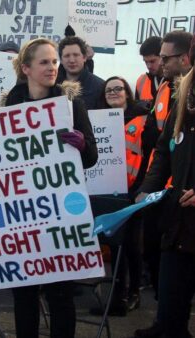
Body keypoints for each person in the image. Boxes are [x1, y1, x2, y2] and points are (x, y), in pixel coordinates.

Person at [3, 38, 97, 338]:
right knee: (24, 295)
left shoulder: (72, 105)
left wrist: (82, 145)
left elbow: (91, 157)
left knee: (60, 295)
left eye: (54, 61)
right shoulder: (8, 105)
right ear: (26, 68)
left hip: (60, 213)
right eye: (44, 62)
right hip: (22, 214)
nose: (53, 67)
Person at [135, 34, 195, 338]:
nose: (161, 62)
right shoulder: (178, 96)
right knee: (171, 281)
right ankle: (167, 327)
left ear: (183, 59)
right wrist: (146, 191)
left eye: (166, 58)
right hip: (177, 208)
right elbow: (163, 149)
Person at [94, 77, 150, 316]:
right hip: (109, 190)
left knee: (131, 245)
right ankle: (117, 296)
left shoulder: (143, 120)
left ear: (128, 92)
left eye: (118, 88)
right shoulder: (98, 121)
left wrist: (142, 187)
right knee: (115, 244)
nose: (114, 92)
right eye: (109, 90)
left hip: (134, 191)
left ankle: (134, 292)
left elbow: (149, 156)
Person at [57, 36, 104, 110]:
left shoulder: (100, 86)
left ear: (84, 57)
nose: (72, 60)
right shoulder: (52, 86)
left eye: (76, 55)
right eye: (67, 56)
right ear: (61, 60)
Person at [135, 36, 164, 102]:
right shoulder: (141, 81)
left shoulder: (177, 80)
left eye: (152, 61)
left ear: (163, 57)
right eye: (145, 62)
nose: (149, 66)